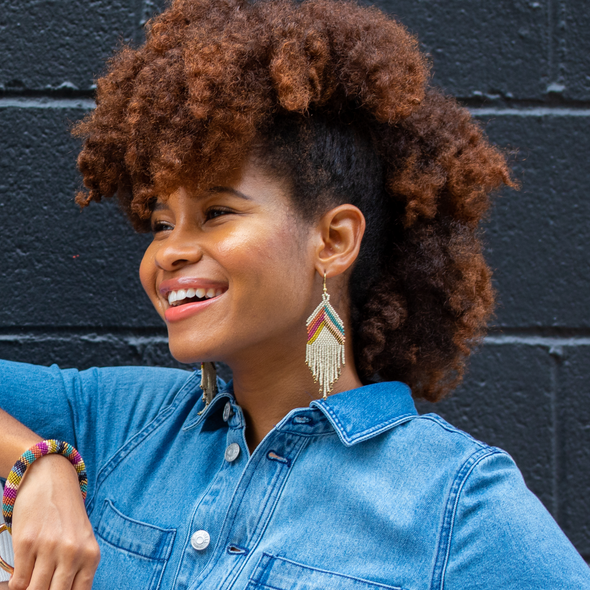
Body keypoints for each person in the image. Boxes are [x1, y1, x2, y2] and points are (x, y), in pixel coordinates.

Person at [1, 0, 589, 588]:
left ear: (334, 240)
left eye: (216, 212)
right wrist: (36, 464)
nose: (169, 251)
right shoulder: (119, 421)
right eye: (161, 223)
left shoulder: (455, 504)